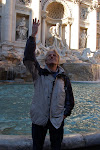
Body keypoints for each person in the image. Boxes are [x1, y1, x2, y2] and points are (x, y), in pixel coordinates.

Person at [23, 18, 74, 150]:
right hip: (39, 119)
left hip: (57, 121)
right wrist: (33, 36)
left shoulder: (64, 78)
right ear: (45, 60)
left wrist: (64, 114)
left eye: (54, 55)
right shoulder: (38, 73)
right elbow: (28, 58)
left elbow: (70, 100)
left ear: (58, 60)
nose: (52, 56)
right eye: (49, 55)